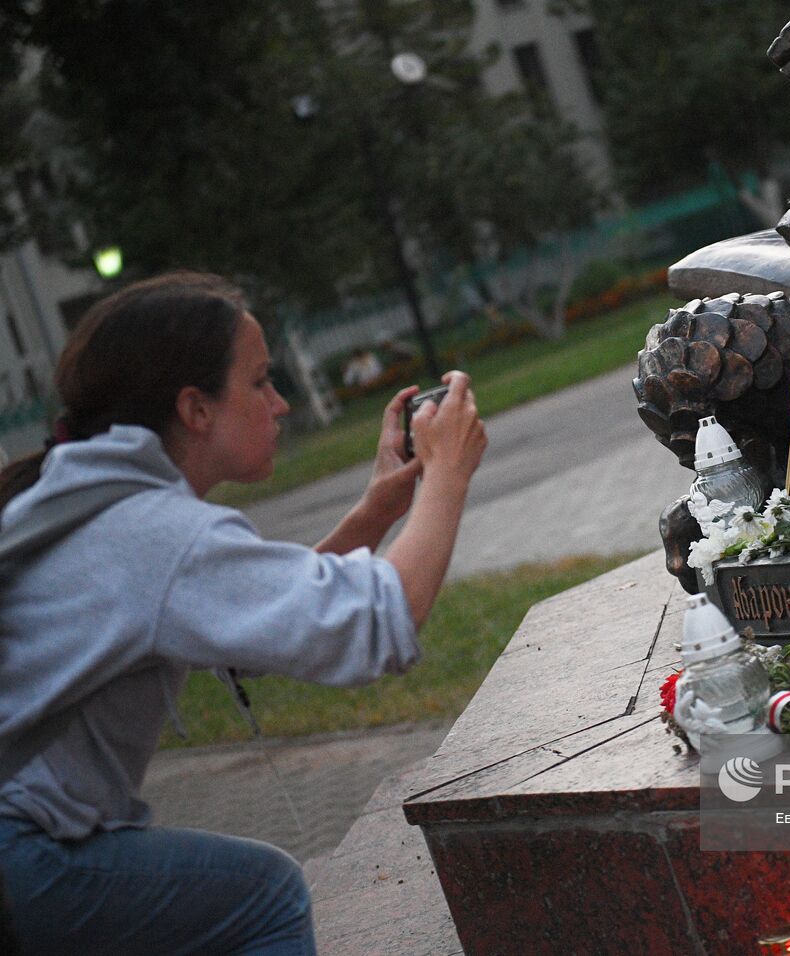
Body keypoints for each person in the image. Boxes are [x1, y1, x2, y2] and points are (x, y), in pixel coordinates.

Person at [0, 272, 487, 954]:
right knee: (264, 893)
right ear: (196, 409)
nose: (281, 404)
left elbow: (241, 632)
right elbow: (375, 624)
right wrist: (447, 478)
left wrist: (375, 513)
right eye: (259, 382)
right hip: (23, 856)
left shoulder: (83, 499)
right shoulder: (151, 530)